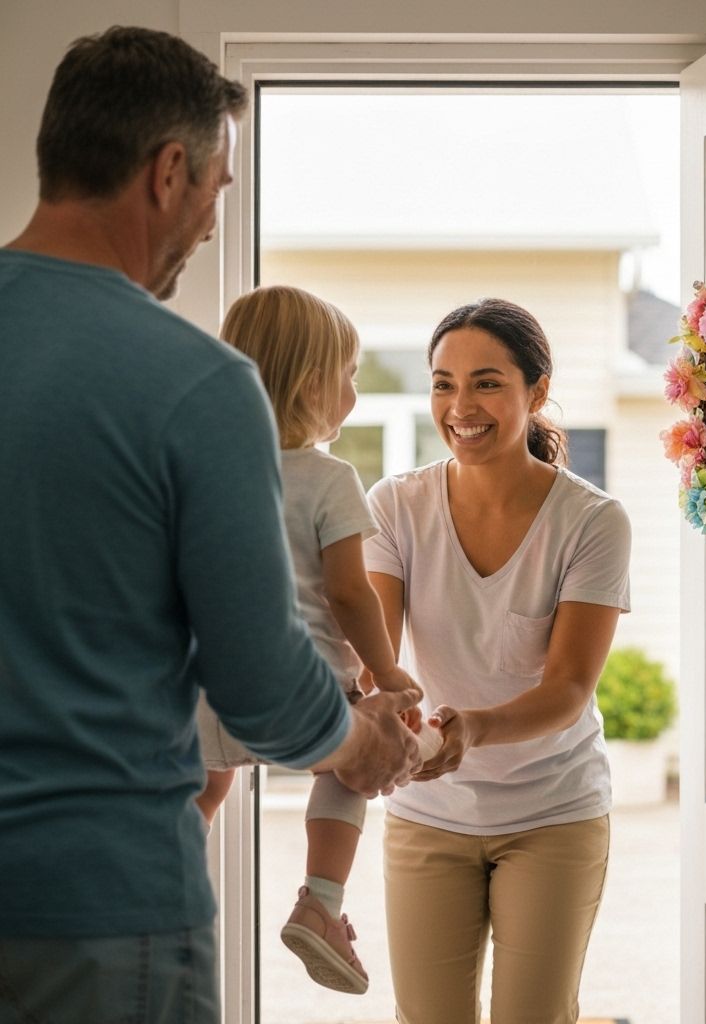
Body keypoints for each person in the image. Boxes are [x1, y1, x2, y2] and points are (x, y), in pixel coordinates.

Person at [0, 27, 419, 1024]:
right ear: (168, 171)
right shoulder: (195, 385)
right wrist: (356, 747)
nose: (208, 216)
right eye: (216, 189)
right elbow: (258, 676)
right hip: (100, 907)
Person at [364, 297, 632, 1024]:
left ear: (535, 391)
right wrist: (374, 713)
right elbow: (376, 654)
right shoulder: (394, 505)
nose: (460, 406)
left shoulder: (592, 521)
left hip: (554, 810)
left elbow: (569, 687)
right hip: (429, 811)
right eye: (443, 382)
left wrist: (471, 730)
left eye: (486, 382)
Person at [194, 285, 434, 994]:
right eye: (351, 375)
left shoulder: (205, 472)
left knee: (206, 785)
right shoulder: (330, 479)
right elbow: (350, 592)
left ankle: (165, 889)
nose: (356, 391)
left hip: (211, 681)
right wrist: (385, 671)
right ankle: (320, 903)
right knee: (347, 770)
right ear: (310, 386)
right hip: (305, 684)